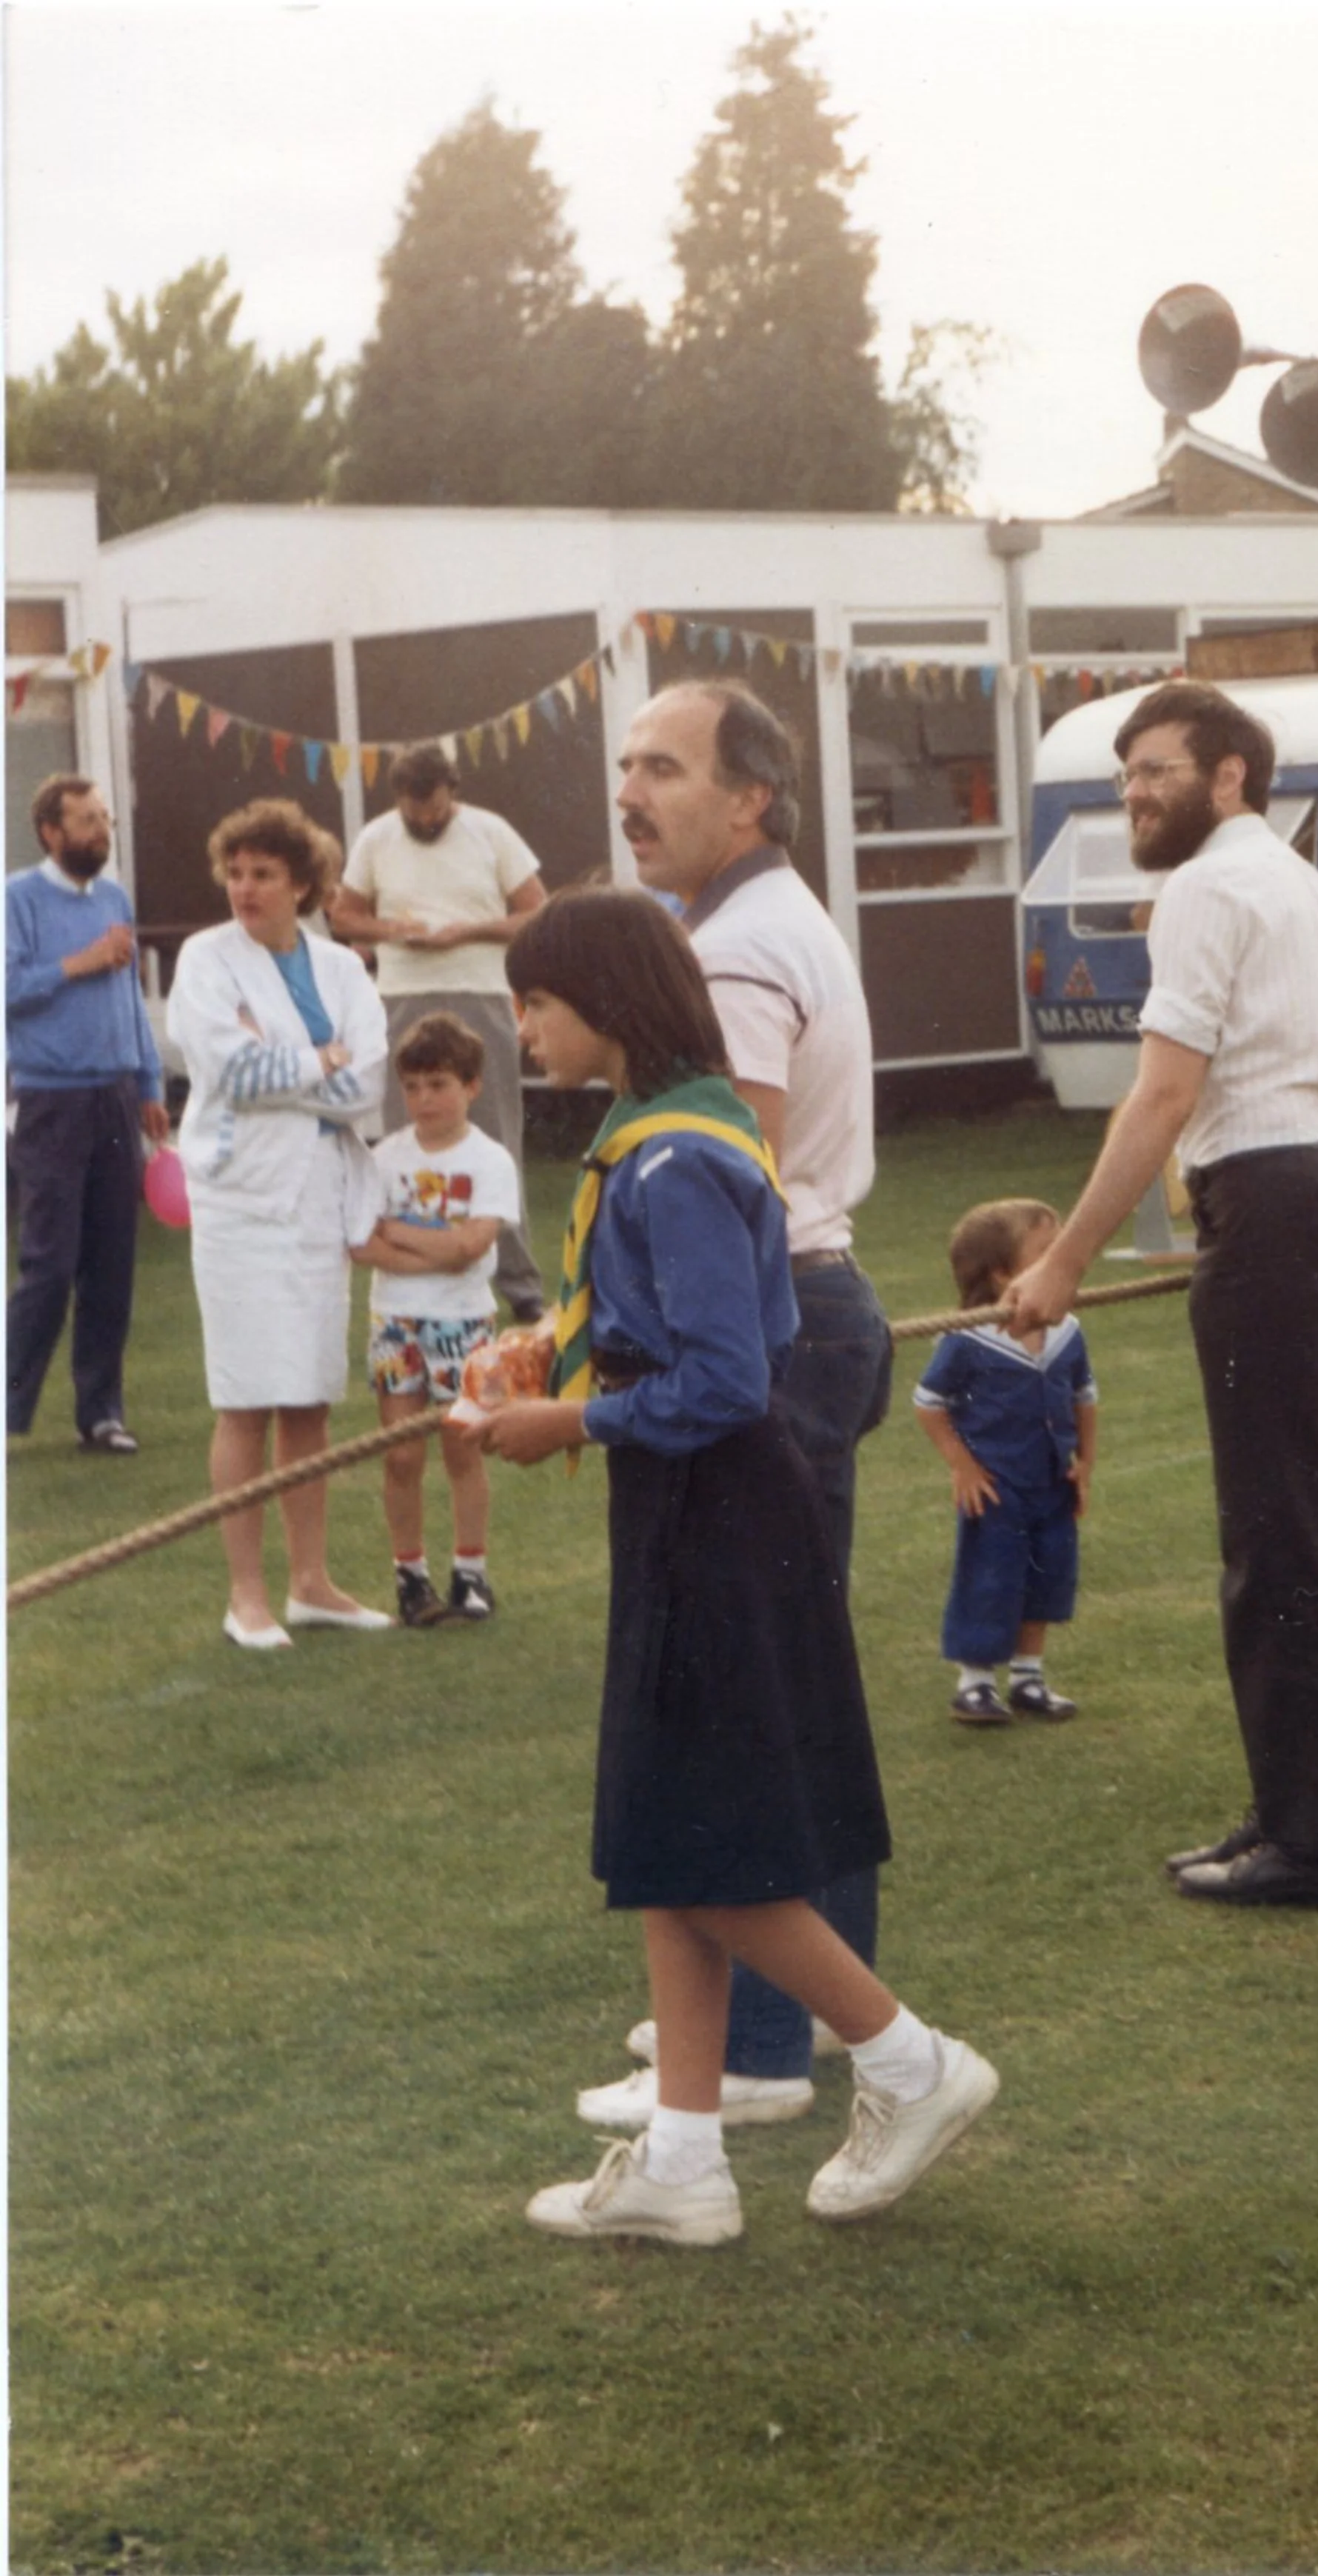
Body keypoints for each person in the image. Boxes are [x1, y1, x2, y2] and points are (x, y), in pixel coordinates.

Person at [479, 887, 997, 2247]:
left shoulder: (675, 1158)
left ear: (605, 1000)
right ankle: (684, 2159)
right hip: (685, 1505)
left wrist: (572, 1421)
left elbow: (724, 1377)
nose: (523, 1027)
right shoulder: (663, 1135)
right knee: (668, 1836)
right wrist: (560, 1359)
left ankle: (909, 2062)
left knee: (704, 1846)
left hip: (718, 1509)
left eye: (537, 1001)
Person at [1003, 681, 1318, 1910]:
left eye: (1158, 770)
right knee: (1314, 1521)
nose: (1134, 792)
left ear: (1231, 774)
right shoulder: (1309, 889)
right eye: (1125, 774)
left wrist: (1064, 1260)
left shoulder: (1204, 889)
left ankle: (1316, 1843)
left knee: (1275, 1532)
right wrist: (1316, 1170)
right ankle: (1311, 1810)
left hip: (1285, 1211)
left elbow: (1163, 1095)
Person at [575, 680, 893, 2133]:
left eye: (664, 767)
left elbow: (725, 1170)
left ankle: (766, 2046)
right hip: (805, 1319)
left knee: (752, 1700)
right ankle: (775, 2014)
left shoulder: (743, 945)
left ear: (750, 797)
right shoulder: (750, 920)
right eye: (626, 765)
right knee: (783, 1682)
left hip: (775, 1335)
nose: (630, 793)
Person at [165, 800, 392, 1649]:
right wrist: (319, 1060)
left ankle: (310, 1583)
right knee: (245, 1399)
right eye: (236, 872)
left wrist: (294, 1064)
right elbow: (228, 1069)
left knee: (308, 1399)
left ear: (303, 884)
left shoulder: (341, 968)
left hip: (317, 1201)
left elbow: (366, 1082)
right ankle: (246, 1596)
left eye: (263, 873)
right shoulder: (205, 958)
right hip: (239, 1201)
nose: (245, 887)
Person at [332, 742, 547, 1321]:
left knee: (496, 1136)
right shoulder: (377, 838)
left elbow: (537, 911)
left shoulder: (491, 832)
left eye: (433, 808)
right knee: (410, 1134)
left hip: (480, 993)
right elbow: (344, 916)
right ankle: (417, 1273)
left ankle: (521, 1287)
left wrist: (466, 932)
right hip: (402, 996)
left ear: (452, 791)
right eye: (413, 809)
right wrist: (392, 931)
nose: (424, 819)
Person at [6, 774, 168, 1453]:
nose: (103, 832)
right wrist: (79, 963)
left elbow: (128, 996)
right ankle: (9, 1407)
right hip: (51, 1099)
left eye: (105, 819)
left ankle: (101, 1415)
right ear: (52, 832)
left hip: (117, 1096)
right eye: (89, 821)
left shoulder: (114, 897)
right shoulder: (17, 898)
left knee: (111, 1262)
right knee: (50, 1263)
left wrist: (150, 1081)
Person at [351, 1011, 519, 1627]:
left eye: (439, 1085)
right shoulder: (383, 1159)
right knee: (400, 1456)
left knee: (463, 1450)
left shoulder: (489, 1160)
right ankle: (410, 1578)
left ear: (471, 1086)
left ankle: (470, 1573)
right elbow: (362, 1245)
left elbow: (471, 1247)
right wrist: (435, 1247)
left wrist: (399, 1231)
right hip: (396, 1322)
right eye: (413, 1087)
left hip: (464, 1322)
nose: (424, 1099)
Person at [914, 1197, 1097, 1726]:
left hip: (1052, 1481)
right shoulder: (968, 1340)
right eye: (1046, 1252)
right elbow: (928, 1403)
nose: (1062, 1259)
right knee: (991, 1577)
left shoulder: (1066, 1330)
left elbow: (1085, 1396)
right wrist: (962, 1466)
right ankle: (974, 1683)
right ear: (1001, 1274)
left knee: (1048, 1574)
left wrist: (1085, 1462)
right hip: (997, 1485)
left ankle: (1028, 1677)